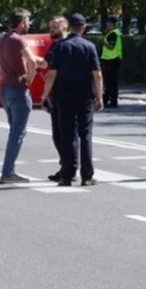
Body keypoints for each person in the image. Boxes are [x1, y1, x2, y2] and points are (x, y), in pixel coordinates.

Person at [41, 13, 103, 186]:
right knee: (85, 135)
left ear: (69, 27)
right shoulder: (89, 46)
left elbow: (51, 74)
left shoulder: (60, 47)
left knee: (67, 135)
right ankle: (87, 175)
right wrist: (100, 96)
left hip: (64, 95)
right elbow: (97, 75)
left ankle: (67, 175)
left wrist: (44, 95)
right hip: (85, 96)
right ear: (83, 27)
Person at [0, 8, 35, 184]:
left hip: (5, 90)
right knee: (17, 133)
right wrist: (30, 76)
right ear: (21, 23)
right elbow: (32, 60)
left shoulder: (3, 39)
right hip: (18, 90)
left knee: (15, 130)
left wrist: (1, 75)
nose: (29, 24)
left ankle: (9, 170)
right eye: (27, 21)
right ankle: (8, 172)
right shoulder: (19, 40)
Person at [40, 16, 69, 181]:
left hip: (61, 93)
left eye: (55, 26)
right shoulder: (54, 46)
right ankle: (66, 166)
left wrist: (44, 96)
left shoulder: (64, 46)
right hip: (56, 94)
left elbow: (51, 72)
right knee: (58, 134)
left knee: (63, 134)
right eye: (51, 26)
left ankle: (68, 167)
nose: (52, 29)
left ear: (65, 27)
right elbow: (45, 64)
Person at [99, 15, 122, 108]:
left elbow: (111, 47)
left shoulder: (113, 34)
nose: (106, 26)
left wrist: (104, 43)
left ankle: (112, 102)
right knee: (109, 82)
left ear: (112, 24)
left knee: (111, 83)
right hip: (111, 60)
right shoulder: (114, 33)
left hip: (111, 60)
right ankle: (107, 100)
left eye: (108, 24)